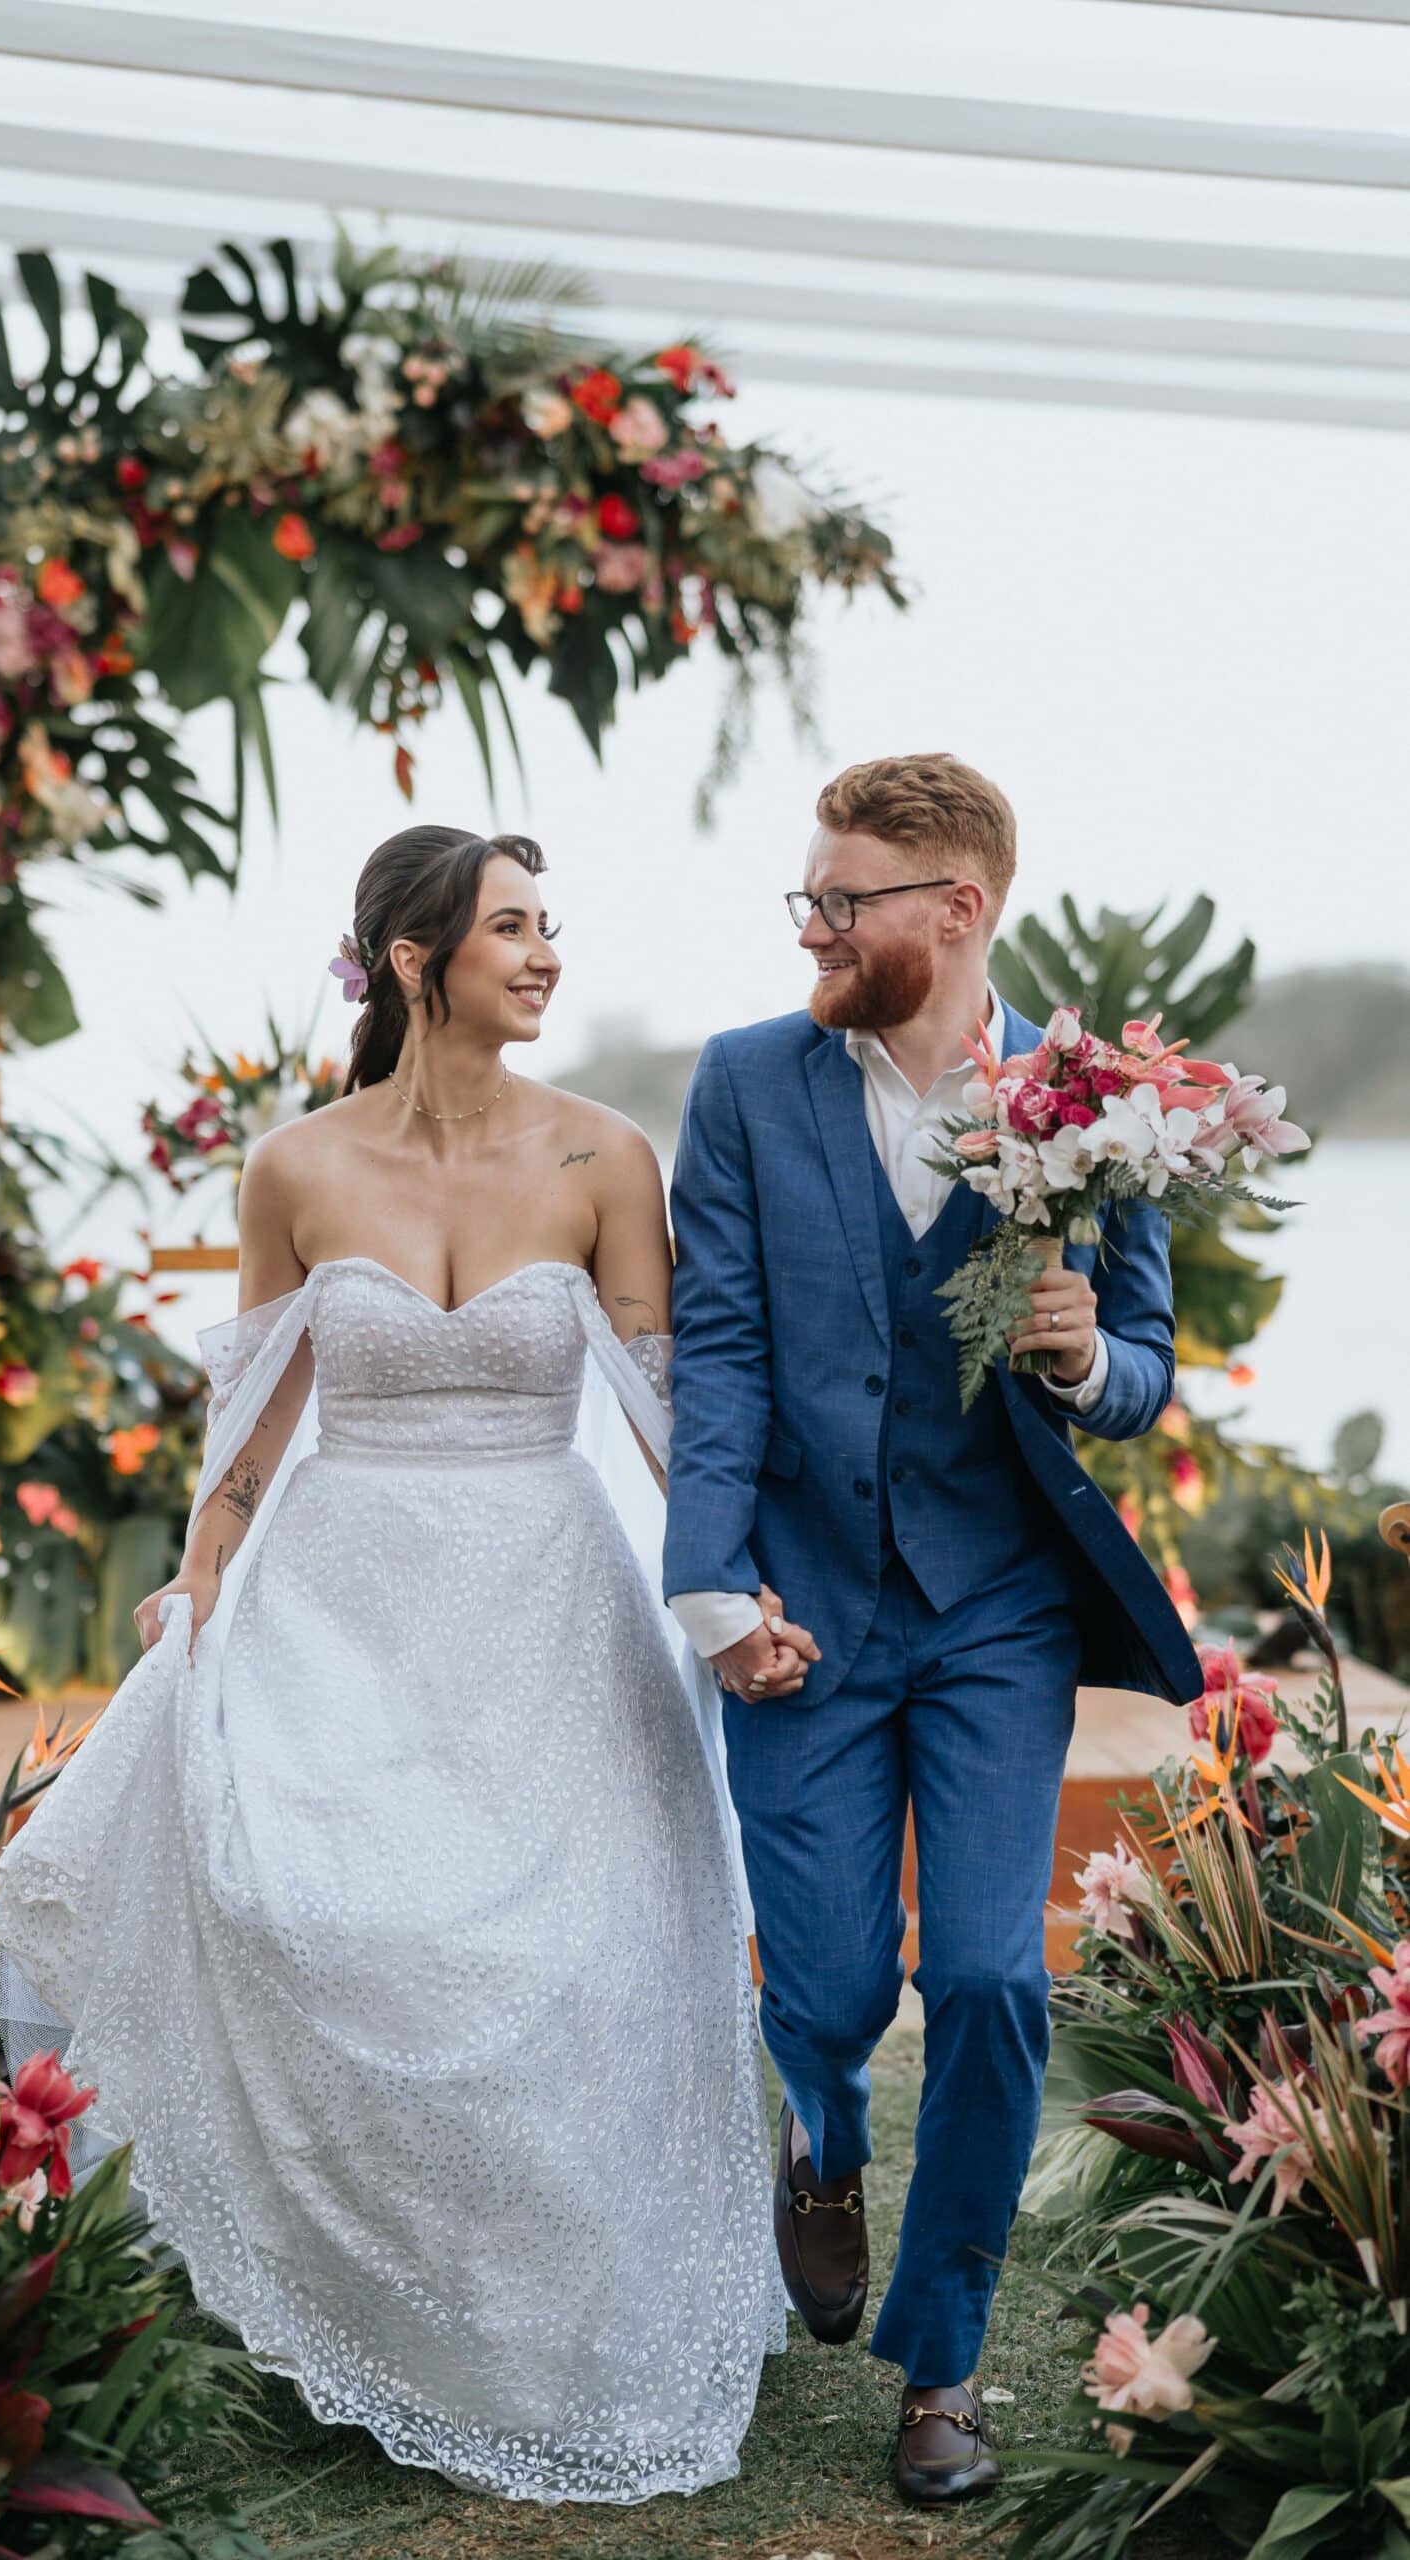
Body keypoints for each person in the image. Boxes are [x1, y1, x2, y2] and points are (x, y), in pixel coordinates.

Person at [0, 824, 783, 2505]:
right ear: (417, 961)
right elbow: (255, 1417)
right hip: (344, 1598)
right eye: (512, 929)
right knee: (326, 1914)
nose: (546, 954)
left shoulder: (602, 1159)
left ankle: (555, 2327)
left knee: (571, 1964)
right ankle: (384, 2313)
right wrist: (196, 1581)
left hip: (546, 1597)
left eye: (549, 925)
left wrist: (730, 1592)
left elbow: (666, 1416)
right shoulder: (296, 1169)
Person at [664, 754, 1203, 2509]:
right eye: (808, 898)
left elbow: (1141, 1368)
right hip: (805, 1613)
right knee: (825, 1991)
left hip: (994, 1616)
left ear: (955, 913)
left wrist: (1076, 1357)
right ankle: (820, 2143)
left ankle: (944, 2366)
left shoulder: (1092, 1097)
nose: (813, 923)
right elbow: (724, 1351)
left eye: (845, 899)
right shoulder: (747, 1084)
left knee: (988, 1979)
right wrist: (714, 1591)